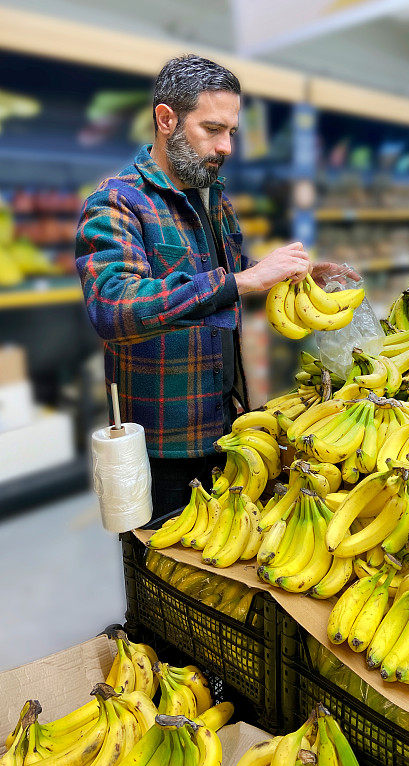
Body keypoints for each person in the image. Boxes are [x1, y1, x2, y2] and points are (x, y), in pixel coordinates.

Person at [76, 54, 356, 519]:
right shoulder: (116, 203)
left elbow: (211, 270)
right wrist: (240, 280)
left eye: (232, 132)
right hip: (163, 444)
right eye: (212, 129)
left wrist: (276, 272)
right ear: (166, 120)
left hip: (226, 423)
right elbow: (115, 306)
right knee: (165, 570)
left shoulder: (211, 196)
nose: (226, 146)